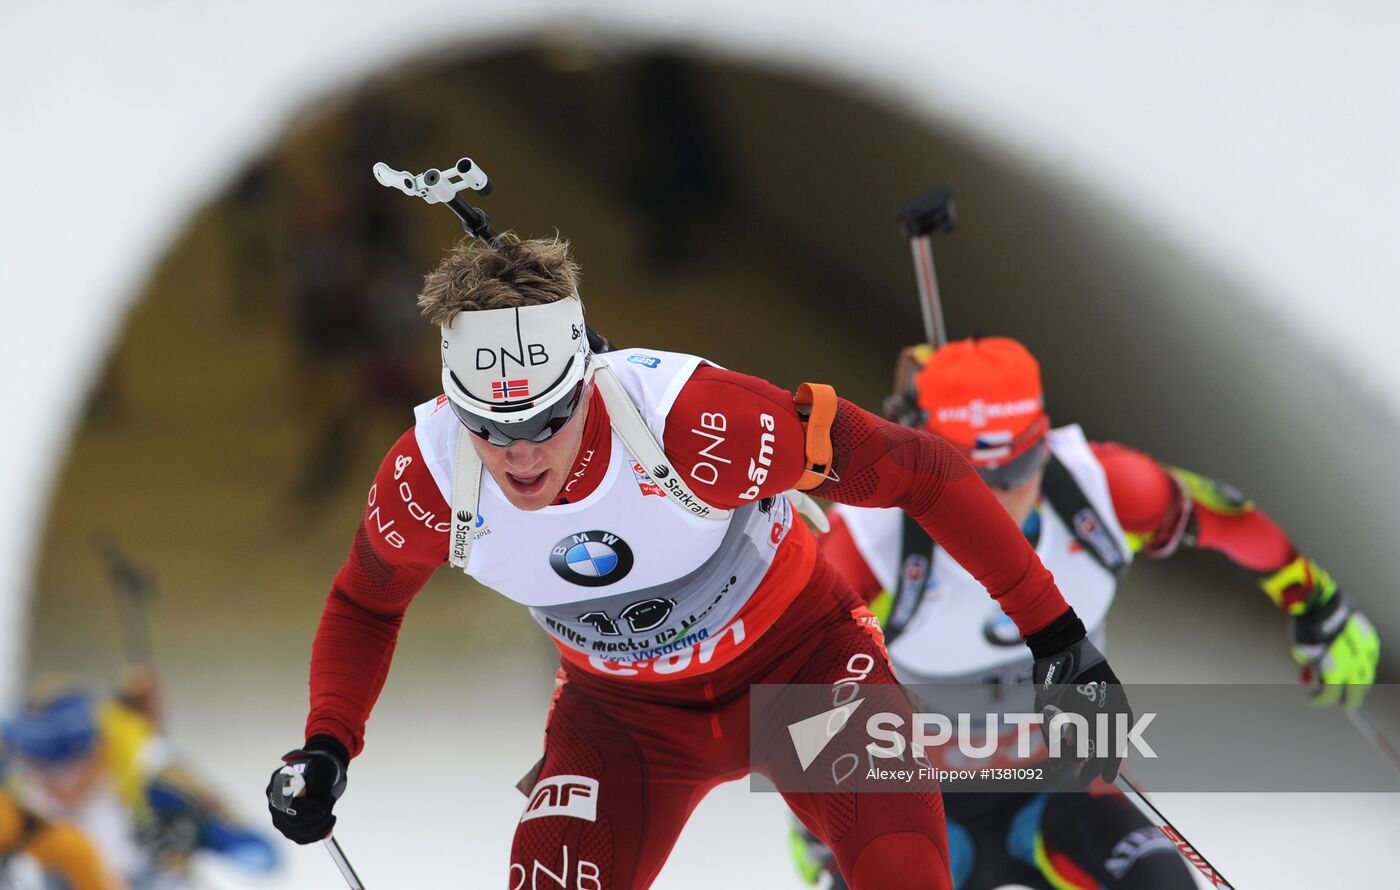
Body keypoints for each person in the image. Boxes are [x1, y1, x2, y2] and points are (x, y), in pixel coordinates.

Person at [262, 234, 1137, 889]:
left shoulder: (697, 423)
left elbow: (923, 471)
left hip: (805, 671)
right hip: (623, 719)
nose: (520, 454)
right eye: (489, 427)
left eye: (547, 420)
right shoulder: (427, 475)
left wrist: (1057, 636)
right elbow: (366, 603)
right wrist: (328, 744)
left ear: (587, 379)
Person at [789, 337, 1381, 890]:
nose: (994, 499)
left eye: (1014, 470)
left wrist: (1319, 604)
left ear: (1043, 446)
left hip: (1061, 786)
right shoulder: (871, 541)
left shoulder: (1101, 489)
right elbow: (793, 671)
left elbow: (1227, 517)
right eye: (964, 477)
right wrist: (818, 809)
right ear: (921, 463)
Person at [3, 679, 278, 890]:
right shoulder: (19, 788)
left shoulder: (152, 779)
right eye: (34, 769)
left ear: (96, 753)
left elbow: (262, 854)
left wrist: (190, 834)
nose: (45, 785)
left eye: (59, 772)